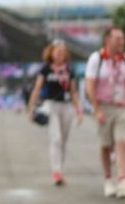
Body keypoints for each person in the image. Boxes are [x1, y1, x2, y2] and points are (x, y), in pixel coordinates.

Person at [85, 26, 125, 199]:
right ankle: (108, 180)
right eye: (118, 39)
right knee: (106, 145)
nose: (121, 42)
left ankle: (123, 180)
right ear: (107, 40)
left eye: (122, 39)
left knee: (123, 141)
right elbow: (90, 86)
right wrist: (96, 109)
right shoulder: (96, 59)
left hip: (122, 106)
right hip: (104, 106)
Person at [27, 41, 83, 185]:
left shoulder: (69, 70)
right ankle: (56, 171)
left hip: (67, 106)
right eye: (57, 51)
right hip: (51, 105)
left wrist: (79, 110)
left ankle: (60, 169)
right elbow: (37, 88)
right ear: (51, 53)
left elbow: (74, 91)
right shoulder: (46, 69)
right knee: (56, 138)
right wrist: (31, 108)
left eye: (62, 52)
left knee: (63, 140)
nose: (59, 54)